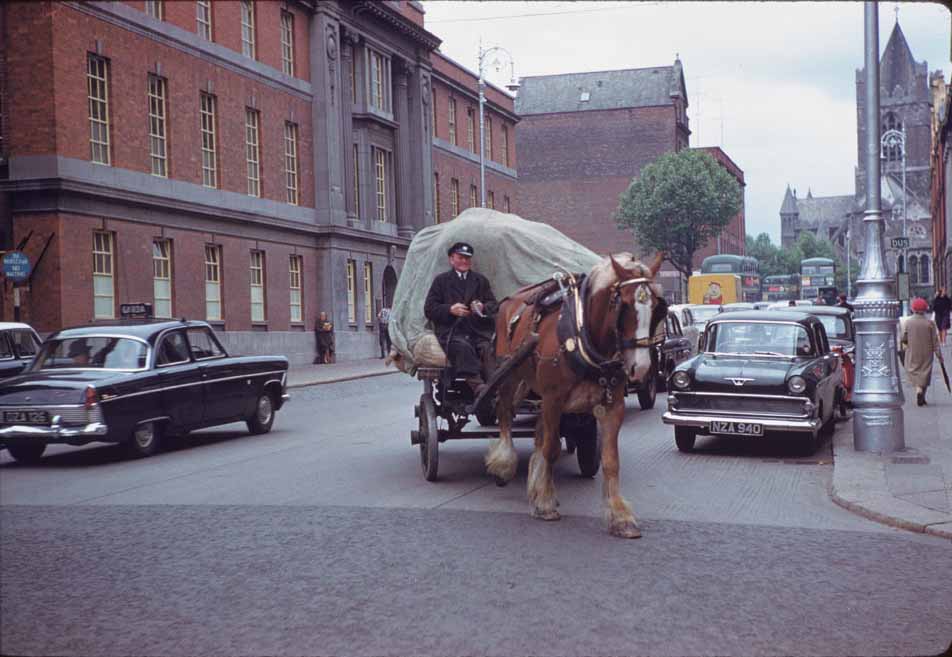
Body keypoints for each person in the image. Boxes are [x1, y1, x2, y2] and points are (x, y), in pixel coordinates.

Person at [424, 241, 498, 394]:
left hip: (477, 331)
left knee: (488, 348)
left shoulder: (480, 280)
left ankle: (495, 385)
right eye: (460, 258)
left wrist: (482, 306)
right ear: (452, 260)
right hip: (451, 332)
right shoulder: (441, 281)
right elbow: (429, 309)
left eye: (467, 258)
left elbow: (493, 304)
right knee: (463, 348)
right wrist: (450, 309)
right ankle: (478, 386)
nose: (464, 261)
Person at [901, 297, 944, 406]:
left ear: (913, 309)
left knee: (915, 372)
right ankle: (922, 395)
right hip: (927, 353)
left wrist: (905, 346)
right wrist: (939, 355)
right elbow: (935, 341)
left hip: (913, 351)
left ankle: (918, 390)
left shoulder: (908, 322)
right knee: (925, 374)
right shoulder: (930, 323)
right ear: (925, 309)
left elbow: (903, 338)